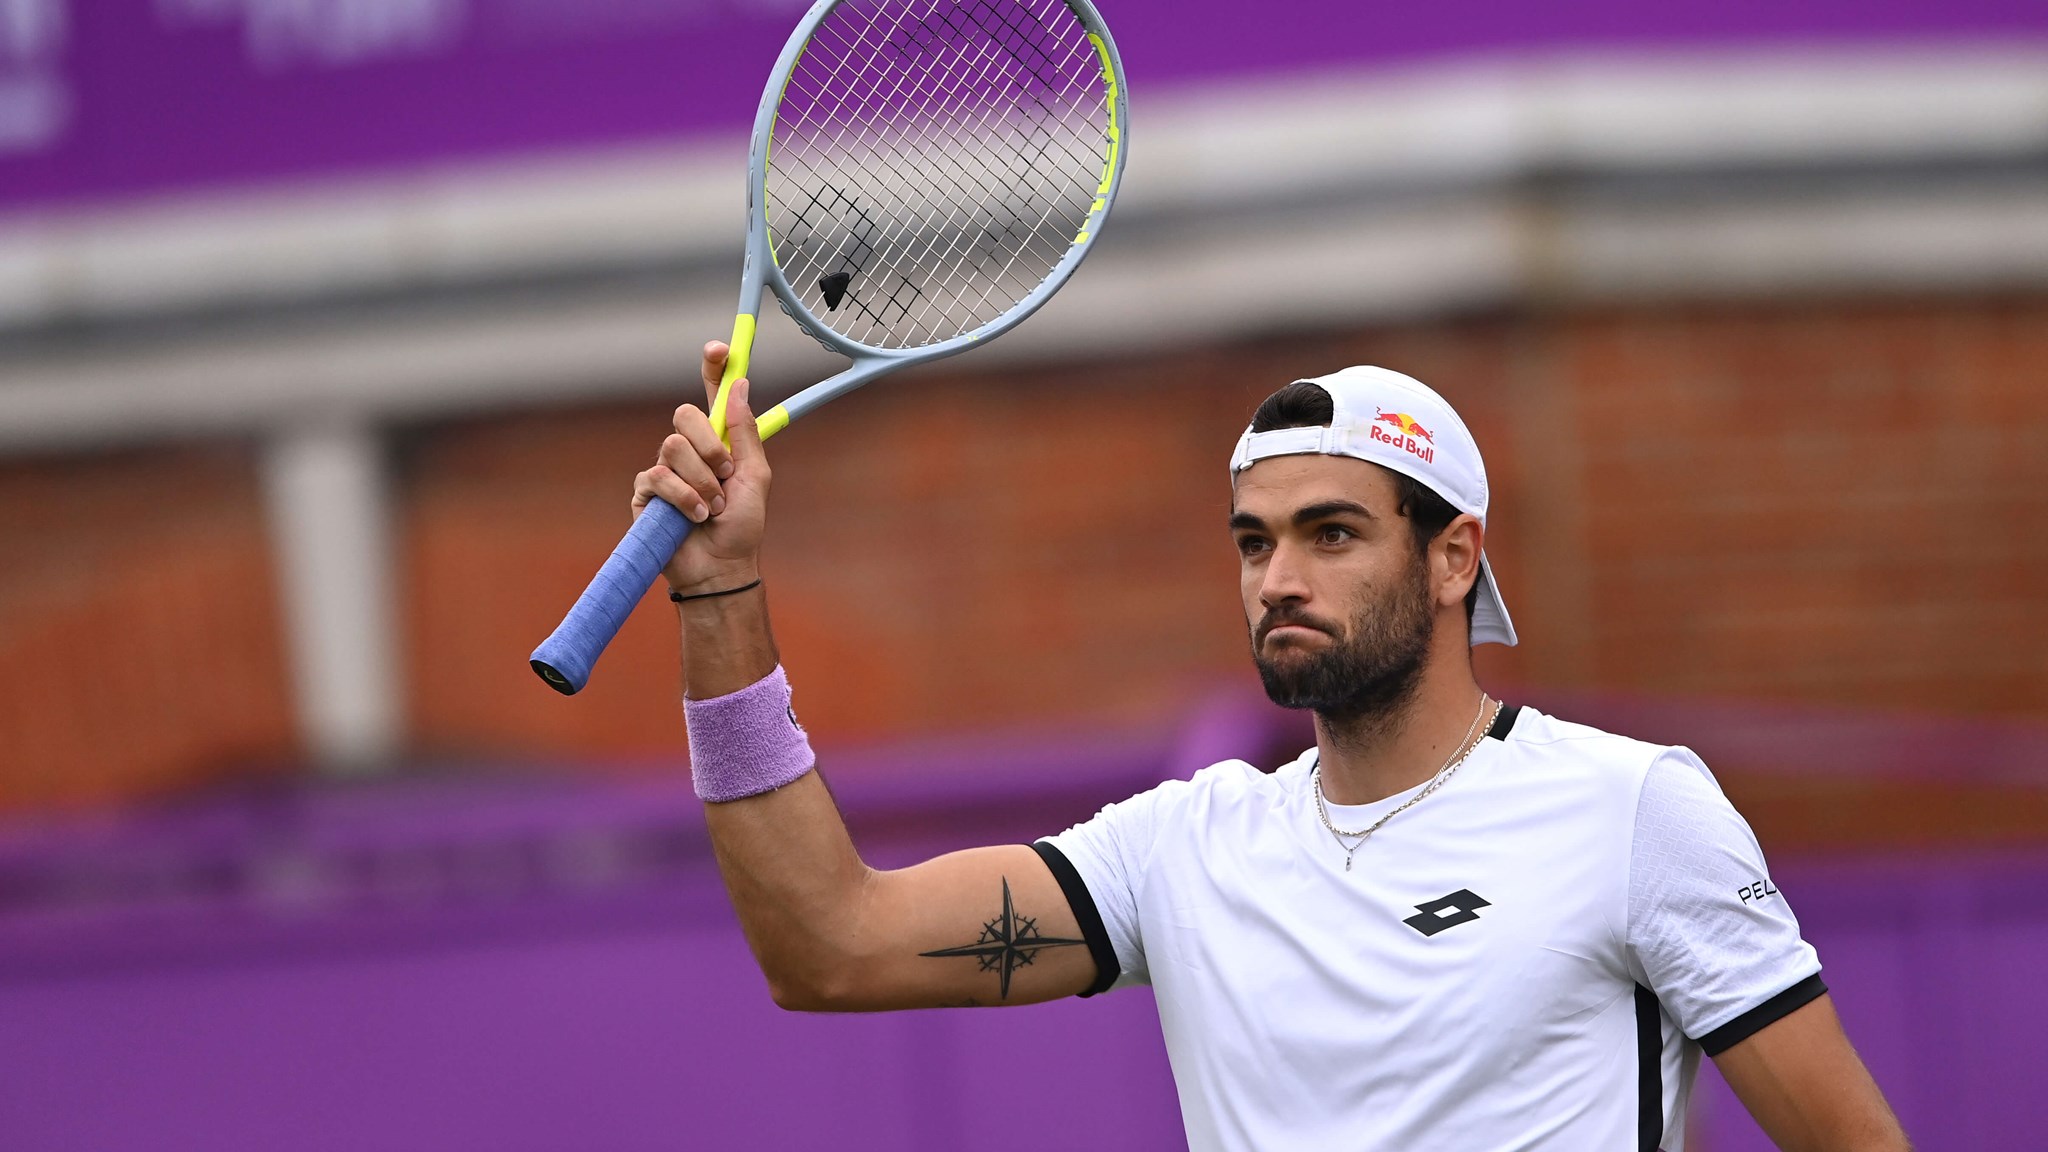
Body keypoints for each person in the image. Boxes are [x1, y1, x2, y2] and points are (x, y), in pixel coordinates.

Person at [638, 344, 1909, 1152]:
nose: (1278, 578)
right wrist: (721, 594)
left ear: (1452, 556)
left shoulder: (1633, 807)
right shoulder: (1182, 847)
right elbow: (829, 946)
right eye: (1254, 542)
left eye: (1331, 534)